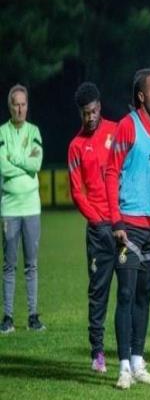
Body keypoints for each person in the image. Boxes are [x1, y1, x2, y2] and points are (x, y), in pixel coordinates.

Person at [105, 68, 150, 389]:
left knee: (144, 296)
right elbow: (111, 172)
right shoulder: (127, 126)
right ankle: (123, 367)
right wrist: (116, 220)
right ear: (141, 96)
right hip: (128, 228)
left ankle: (138, 362)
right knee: (125, 293)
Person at [68, 82, 117, 372]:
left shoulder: (116, 131)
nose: (90, 117)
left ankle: (130, 354)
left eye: (94, 111)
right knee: (98, 294)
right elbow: (77, 192)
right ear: (81, 113)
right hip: (98, 232)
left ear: (100, 107)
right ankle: (97, 352)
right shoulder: (76, 146)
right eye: (85, 113)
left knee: (129, 292)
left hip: (123, 226)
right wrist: (97, 220)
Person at [0, 84, 45, 334]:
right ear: (10, 106)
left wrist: (14, 159)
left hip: (31, 207)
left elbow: (36, 164)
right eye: (16, 104)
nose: (20, 109)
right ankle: (7, 317)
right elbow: (2, 167)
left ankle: (32, 316)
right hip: (9, 207)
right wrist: (23, 164)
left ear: (27, 106)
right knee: (9, 265)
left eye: (23, 104)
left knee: (31, 265)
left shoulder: (34, 131)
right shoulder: (1, 132)